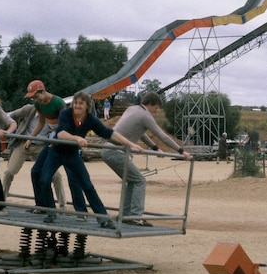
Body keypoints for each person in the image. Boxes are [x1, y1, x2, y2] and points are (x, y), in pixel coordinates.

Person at [39, 90, 142, 228]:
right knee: (44, 180)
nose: (77, 106)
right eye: (75, 103)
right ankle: (51, 212)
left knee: (87, 185)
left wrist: (130, 145)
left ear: (87, 106)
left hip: (72, 155)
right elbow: (61, 133)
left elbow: (109, 133)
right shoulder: (65, 114)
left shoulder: (90, 119)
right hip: (56, 152)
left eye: (80, 104)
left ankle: (103, 218)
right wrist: (77, 138)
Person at [102, 91, 191, 226]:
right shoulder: (145, 115)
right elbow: (163, 136)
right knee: (139, 181)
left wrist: (155, 148)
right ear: (150, 104)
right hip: (116, 151)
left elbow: (141, 134)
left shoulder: (132, 109)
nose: (155, 112)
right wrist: (181, 150)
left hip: (108, 149)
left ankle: (126, 215)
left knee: (131, 181)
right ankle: (136, 216)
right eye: (155, 108)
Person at [25, 80, 87, 215]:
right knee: (36, 171)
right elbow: (41, 122)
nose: (36, 100)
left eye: (37, 96)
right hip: (53, 140)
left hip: (66, 139)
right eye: (33, 98)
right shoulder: (38, 105)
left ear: (43, 91)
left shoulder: (58, 103)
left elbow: (65, 124)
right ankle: (43, 205)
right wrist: (31, 138)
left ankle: (81, 211)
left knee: (73, 176)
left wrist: (56, 138)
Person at [3, 103, 67, 209]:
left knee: (56, 175)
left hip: (42, 146)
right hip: (24, 144)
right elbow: (9, 116)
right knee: (9, 171)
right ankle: (1, 200)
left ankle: (62, 204)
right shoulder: (28, 109)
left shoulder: (53, 114)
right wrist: (11, 128)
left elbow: (60, 128)